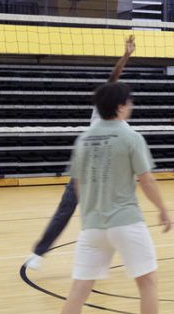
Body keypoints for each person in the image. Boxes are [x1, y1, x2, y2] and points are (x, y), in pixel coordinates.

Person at [40, 81, 174, 314]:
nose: (132, 105)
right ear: (119, 106)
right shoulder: (130, 137)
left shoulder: (84, 140)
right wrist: (163, 209)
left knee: (78, 290)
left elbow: (76, 185)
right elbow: (146, 180)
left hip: (92, 226)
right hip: (126, 221)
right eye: (129, 101)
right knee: (148, 282)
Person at [26, 35, 135, 272]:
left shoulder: (126, 129)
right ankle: (38, 253)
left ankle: (109, 255)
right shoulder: (100, 113)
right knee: (65, 210)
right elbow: (112, 80)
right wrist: (126, 56)